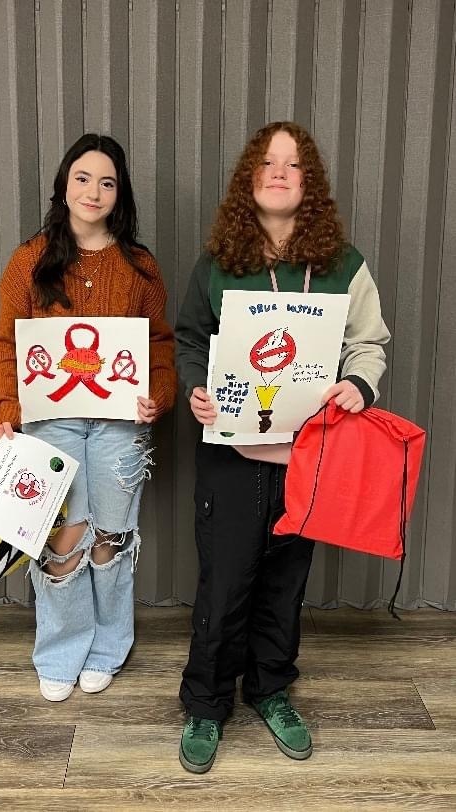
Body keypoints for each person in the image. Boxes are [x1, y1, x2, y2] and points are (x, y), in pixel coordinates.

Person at [175, 121, 390, 772]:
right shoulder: (218, 264)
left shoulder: (343, 265)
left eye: (292, 165)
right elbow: (188, 339)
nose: (278, 171)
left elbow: (369, 342)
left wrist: (357, 385)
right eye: (266, 162)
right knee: (223, 585)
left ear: (309, 185)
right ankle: (206, 705)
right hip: (231, 455)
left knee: (284, 583)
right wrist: (195, 389)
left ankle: (270, 690)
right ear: (249, 178)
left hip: (307, 456)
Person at [0, 133, 176, 701]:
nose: (93, 191)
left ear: (119, 195)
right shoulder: (30, 260)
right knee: (62, 537)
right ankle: (61, 649)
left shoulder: (139, 268)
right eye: (82, 178)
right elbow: (7, 343)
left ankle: (108, 645)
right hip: (52, 420)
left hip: (120, 422)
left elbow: (161, 345)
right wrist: (7, 408)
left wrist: (158, 394)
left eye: (107, 182)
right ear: (63, 185)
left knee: (112, 537)